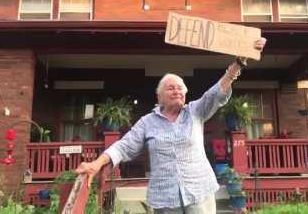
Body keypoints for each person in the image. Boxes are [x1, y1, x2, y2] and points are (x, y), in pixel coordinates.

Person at [76, 38, 266, 214]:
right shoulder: (147, 122)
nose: (177, 90)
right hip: (165, 199)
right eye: (170, 87)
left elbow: (215, 93)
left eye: (180, 88)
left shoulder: (195, 111)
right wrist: (96, 163)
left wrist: (238, 64)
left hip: (199, 192)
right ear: (159, 97)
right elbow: (123, 147)